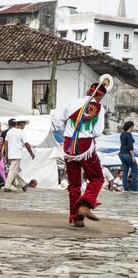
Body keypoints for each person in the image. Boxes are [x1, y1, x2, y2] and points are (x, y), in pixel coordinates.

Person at [54, 80, 111, 228]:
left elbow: (59, 122)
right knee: (97, 178)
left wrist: (68, 132)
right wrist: (86, 132)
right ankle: (85, 206)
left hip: (68, 146)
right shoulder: (98, 107)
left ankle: (76, 218)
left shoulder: (72, 103)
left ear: (88, 91)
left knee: (74, 185)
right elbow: (97, 132)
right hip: (85, 146)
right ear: (100, 96)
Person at [4, 119, 35, 192]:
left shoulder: (9, 131)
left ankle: (23, 185)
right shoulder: (21, 132)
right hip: (17, 154)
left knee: (16, 170)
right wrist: (31, 153)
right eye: (24, 125)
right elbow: (26, 144)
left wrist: (6, 153)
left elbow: (6, 143)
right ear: (22, 125)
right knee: (13, 170)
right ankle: (7, 186)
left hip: (11, 154)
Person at [119, 121, 137, 192]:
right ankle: (134, 188)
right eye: (133, 127)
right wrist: (133, 157)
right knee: (135, 170)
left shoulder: (122, 134)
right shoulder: (129, 134)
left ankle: (125, 188)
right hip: (127, 154)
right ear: (131, 127)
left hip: (121, 154)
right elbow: (131, 146)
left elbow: (132, 141)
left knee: (125, 171)